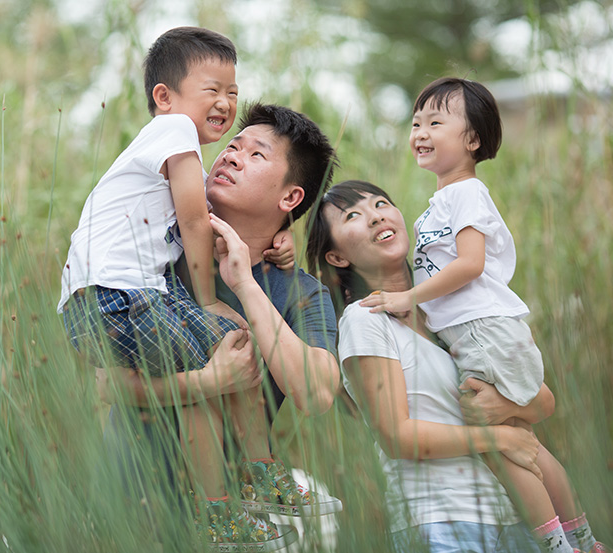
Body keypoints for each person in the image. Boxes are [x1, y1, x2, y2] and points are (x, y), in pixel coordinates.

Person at [58, 28, 297, 550]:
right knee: (232, 344)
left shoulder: (156, 156)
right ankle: (253, 484)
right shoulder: (173, 134)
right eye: (211, 89)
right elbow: (194, 218)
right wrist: (209, 299)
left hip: (95, 305)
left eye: (233, 92)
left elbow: (206, 219)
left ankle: (233, 498)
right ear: (164, 98)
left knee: (200, 371)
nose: (226, 102)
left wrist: (280, 241)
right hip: (121, 298)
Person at [360, 78, 608, 553]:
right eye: (416, 123)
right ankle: (583, 540)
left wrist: (406, 299)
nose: (420, 132)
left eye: (436, 122)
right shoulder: (444, 199)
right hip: (476, 332)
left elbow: (470, 263)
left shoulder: (466, 193)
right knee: (520, 439)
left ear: (472, 139)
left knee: (505, 445)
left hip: (484, 330)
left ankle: (559, 545)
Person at [99, 103, 343, 547]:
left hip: (231, 527)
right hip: (124, 509)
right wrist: (207, 382)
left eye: (256, 155)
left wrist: (245, 284)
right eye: (232, 146)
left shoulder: (302, 293)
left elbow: (318, 393)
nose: (230, 156)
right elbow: (106, 385)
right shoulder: (157, 261)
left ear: (290, 198)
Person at [307, 179, 558, 551]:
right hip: (441, 523)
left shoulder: (449, 308)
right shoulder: (366, 321)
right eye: (354, 216)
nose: (376, 217)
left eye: (380, 204)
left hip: (518, 518)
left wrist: (499, 407)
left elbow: (543, 401)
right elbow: (396, 437)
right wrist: (499, 435)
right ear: (337, 257)